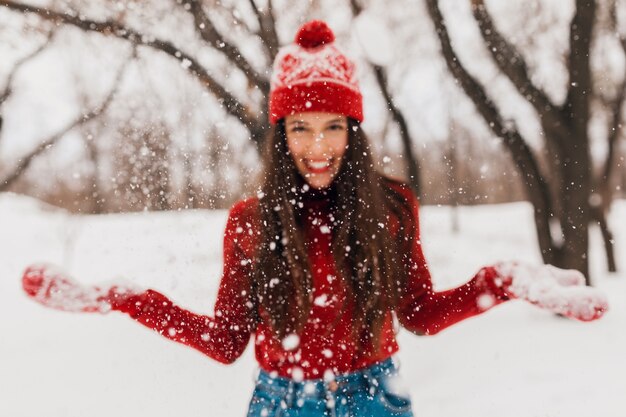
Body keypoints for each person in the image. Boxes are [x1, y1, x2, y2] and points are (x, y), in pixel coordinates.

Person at [22, 20, 608, 417]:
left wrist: (504, 282)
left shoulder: (391, 206)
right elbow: (227, 342)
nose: (318, 145)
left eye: (332, 126)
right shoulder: (251, 223)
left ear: (354, 132)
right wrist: (125, 299)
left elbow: (420, 315)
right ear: (281, 136)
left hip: (375, 397)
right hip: (281, 402)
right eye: (300, 128)